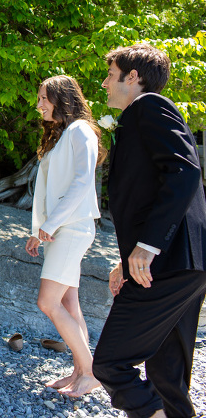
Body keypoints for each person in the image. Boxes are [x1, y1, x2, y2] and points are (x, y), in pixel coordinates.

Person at [92, 44, 206, 418]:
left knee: (111, 364)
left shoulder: (150, 106)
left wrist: (147, 246)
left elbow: (185, 171)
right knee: (166, 372)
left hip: (169, 261)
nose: (105, 83)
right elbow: (149, 193)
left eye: (111, 75)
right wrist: (127, 260)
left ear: (133, 77)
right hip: (185, 263)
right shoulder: (139, 116)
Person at [24, 75, 106, 397]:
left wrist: (51, 225)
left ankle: (90, 371)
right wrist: (37, 233)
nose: (39, 105)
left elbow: (83, 181)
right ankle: (78, 372)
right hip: (59, 230)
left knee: (48, 301)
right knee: (70, 303)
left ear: (62, 99)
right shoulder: (60, 136)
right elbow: (46, 193)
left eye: (44, 98)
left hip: (72, 228)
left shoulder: (81, 130)